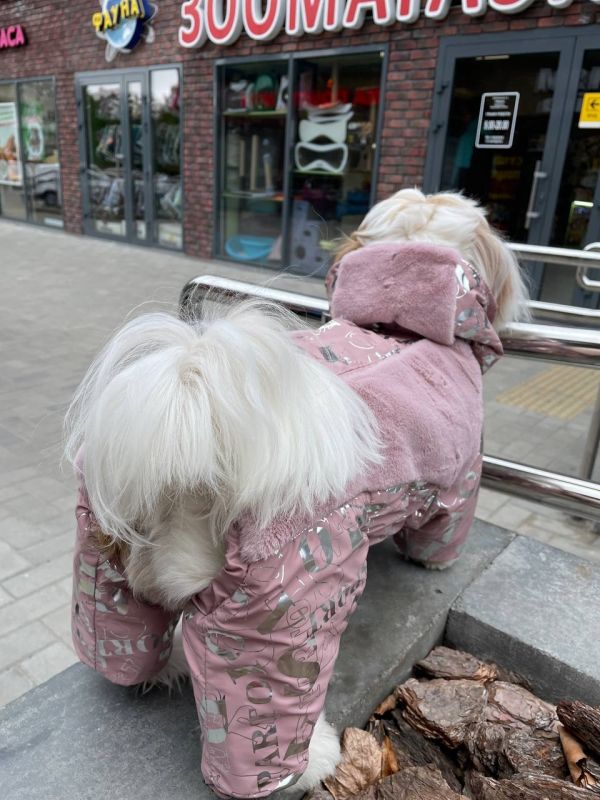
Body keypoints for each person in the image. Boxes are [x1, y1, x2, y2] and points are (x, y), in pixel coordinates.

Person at [65, 189, 528, 799]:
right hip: (281, 526)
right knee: (275, 615)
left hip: (161, 461)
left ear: (359, 263)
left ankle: (125, 655)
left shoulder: (307, 357)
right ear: (482, 279)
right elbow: (455, 485)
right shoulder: (452, 379)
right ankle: (271, 760)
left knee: (132, 514)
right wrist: (432, 550)